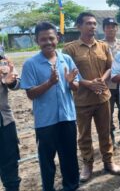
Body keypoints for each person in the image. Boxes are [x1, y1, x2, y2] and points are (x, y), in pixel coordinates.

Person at [63, 12, 120, 182]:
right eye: (88, 23)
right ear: (78, 26)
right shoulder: (70, 49)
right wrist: (87, 83)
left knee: (105, 132)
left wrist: (102, 80)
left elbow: (111, 68)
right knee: (84, 135)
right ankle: (87, 165)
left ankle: (108, 161)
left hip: (103, 97)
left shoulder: (103, 46)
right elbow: (67, 74)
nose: (92, 26)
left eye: (94, 23)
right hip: (82, 100)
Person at [20, 22, 80, 191]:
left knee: (69, 156)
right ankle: (49, 188)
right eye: (43, 39)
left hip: (67, 117)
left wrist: (71, 83)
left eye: (51, 38)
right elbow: (30, 93)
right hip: (46, 121)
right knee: (47, 159)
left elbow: (76, 86)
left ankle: (71, 186)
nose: (48, 42)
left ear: (58, 38)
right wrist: (49, 83)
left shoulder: (66, 59)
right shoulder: (30, 64)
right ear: (37, 40)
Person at [102, 17, 120, 147]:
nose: (111, 29)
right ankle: (111, 139)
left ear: (117, 29)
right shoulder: (99, 44)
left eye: (113, 26)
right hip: (108, 85)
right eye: (108, 27)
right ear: (104, 29)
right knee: (108, 113)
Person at [0, 55, 21, 191]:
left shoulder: (3, 61)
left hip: (4, 124)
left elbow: (17, 84)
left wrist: (10, 82)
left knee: (10, 168)